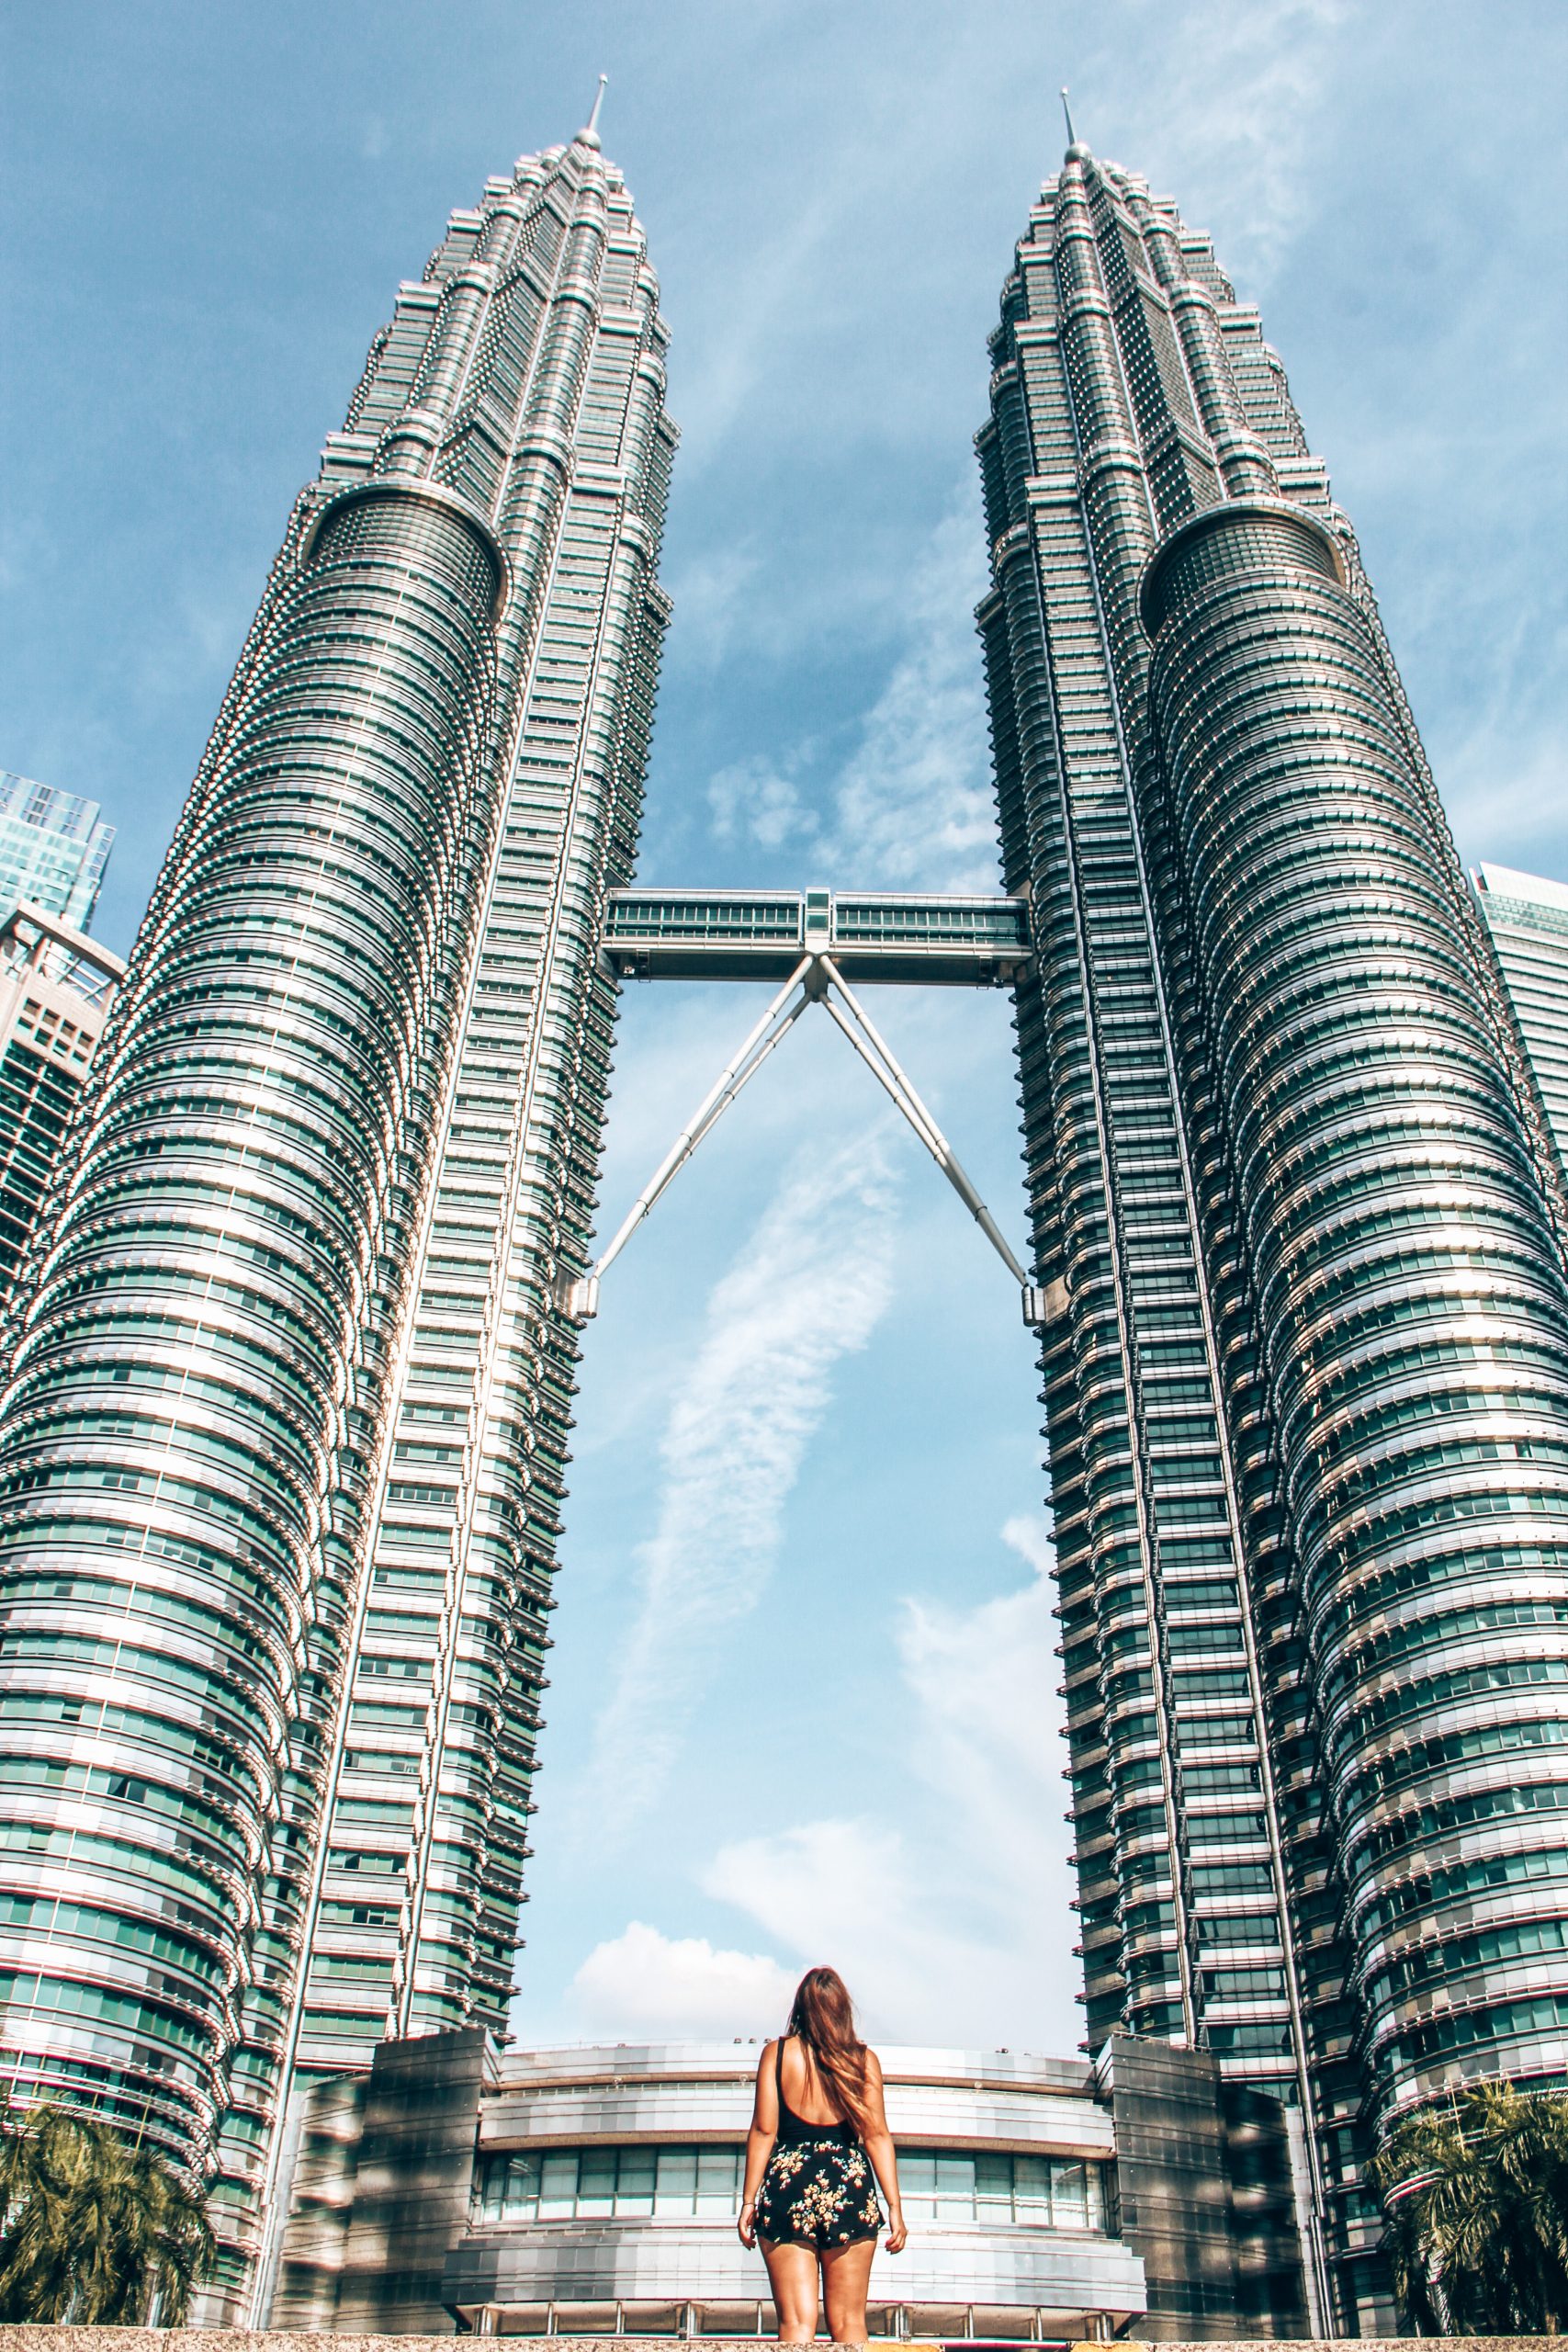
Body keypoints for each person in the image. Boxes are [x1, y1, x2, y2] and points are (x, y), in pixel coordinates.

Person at [738, 1966, 907, 2345]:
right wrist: (894, 2206)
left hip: (788, 2185)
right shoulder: (863, 2061)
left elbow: (764, 2130)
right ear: (842, 2009)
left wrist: (748, 2201)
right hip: (848, 2188)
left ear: (801, 2008)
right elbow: (877, 2135)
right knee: (849, 2324)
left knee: (796, 2326)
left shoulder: (777, 2055)